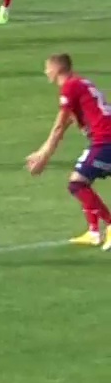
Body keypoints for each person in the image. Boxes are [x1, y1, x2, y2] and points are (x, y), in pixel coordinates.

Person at [24, 53, 111, 250]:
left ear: (57, 69)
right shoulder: (80, 83)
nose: (46, 72)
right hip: (104, 140)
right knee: (81, 181)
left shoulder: (70, 87)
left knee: (77, 183)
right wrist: (42, 152)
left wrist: (44, 156)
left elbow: (58, 127)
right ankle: (94, 232)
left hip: (106, 141)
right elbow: (65, 124)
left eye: (48, 68)